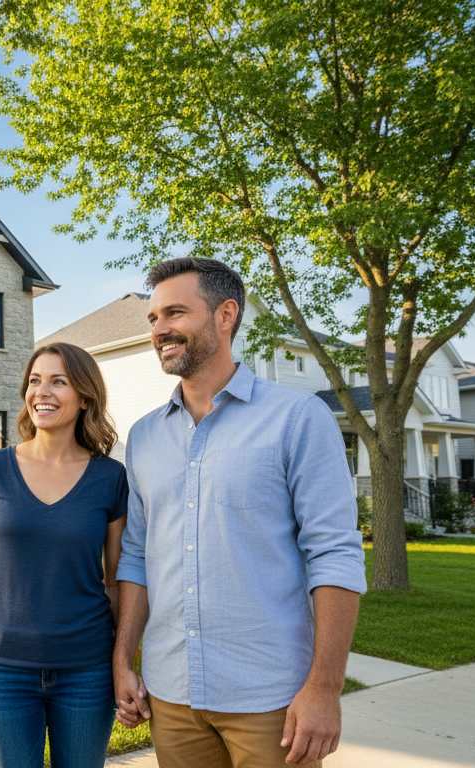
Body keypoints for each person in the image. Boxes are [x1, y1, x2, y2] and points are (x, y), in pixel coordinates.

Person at [111, 258, 367, 767]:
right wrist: (123, 659)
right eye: (154, 318)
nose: (160, 329)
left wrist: (324, 687)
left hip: (269, 693)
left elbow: (335, 554)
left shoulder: (297, 418)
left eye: (176, 313)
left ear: (225, 315)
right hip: (170, 690)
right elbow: (137, 555)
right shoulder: (143, 436)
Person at [0, 342, 129, 768]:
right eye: (34, 381)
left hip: (87, 670)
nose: (41, 392)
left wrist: (123, 661)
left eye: (58, 381)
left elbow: (117, 578)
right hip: (3, 669)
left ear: (84, 396)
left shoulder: (110, 477)